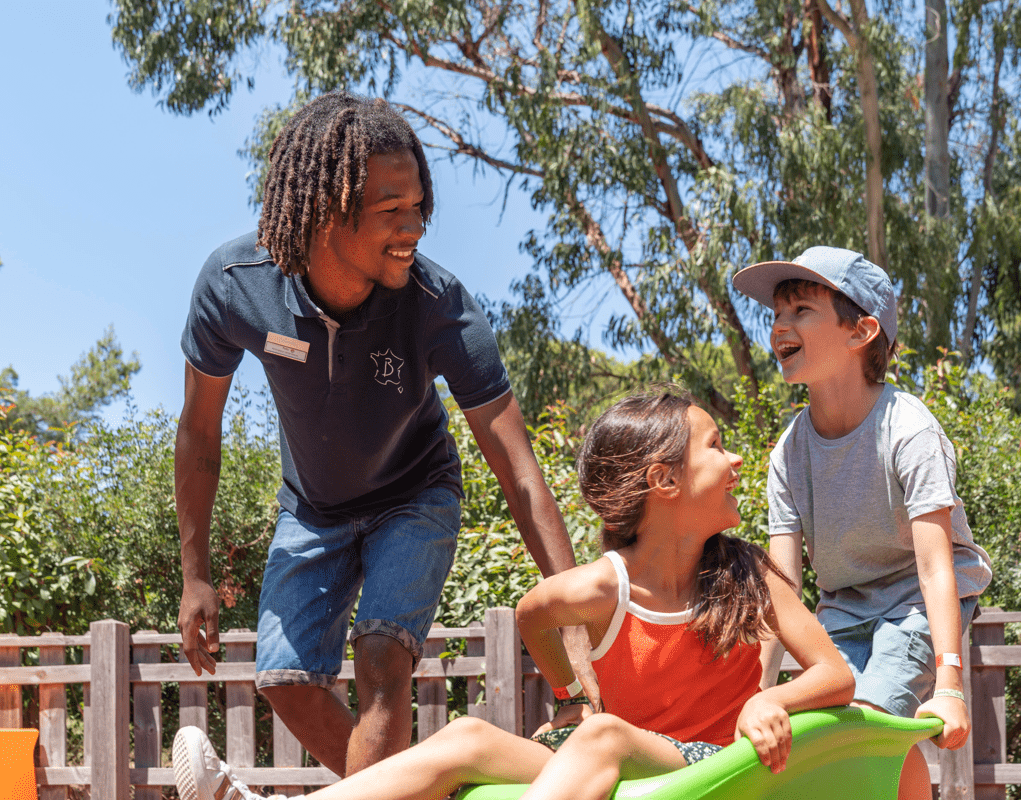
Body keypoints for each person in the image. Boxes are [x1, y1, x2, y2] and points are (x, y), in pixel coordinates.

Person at [175, 90, 593, 777]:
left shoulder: (438, 307)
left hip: (414, 494)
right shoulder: (236, 286)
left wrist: (581, 632)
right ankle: (427, 793)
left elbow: (520, 470)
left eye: (420, 206)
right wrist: (195, 577)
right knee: (285, 681)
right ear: (323, 213)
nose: (416, 227)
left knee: (380, 656)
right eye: (391, 211)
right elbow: (197, 434)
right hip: (310, 507)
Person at [171, 390, 856, 800]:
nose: (736, 460)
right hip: (622, 770)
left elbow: (834, 673)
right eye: (716, 447)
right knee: (469, 736)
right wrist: (570, 694)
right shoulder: (602, 585)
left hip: (715, 774)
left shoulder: (749, 576)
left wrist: (772, 697)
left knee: (604, 734)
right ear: (664, 481)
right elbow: (533, 615)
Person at [731, 246, 993, 800]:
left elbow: (934, 565)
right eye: (777, 314)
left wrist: (949, 684)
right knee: (819, 733)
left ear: (861, 332)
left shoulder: (908, 430)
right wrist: (751, 690)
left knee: (867, 724)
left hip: (915, 602)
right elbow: (783, 591)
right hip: (843, 608)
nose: (780, 325)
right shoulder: (789, 452)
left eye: (802, 309)